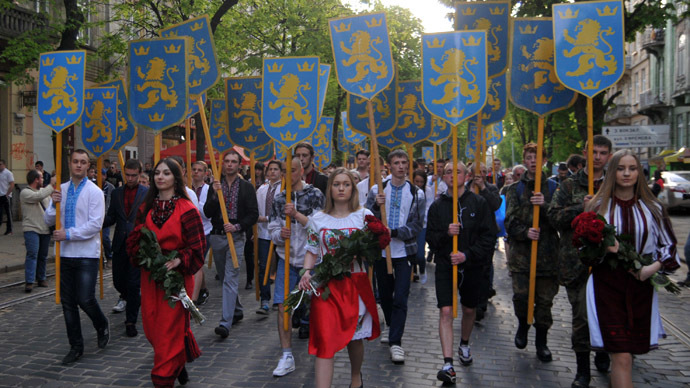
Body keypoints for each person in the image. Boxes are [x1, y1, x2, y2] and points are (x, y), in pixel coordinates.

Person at [584, 150, 680, 388]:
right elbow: (582, 252)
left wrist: (652, 269)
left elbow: (669, 247)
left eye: (632, 168)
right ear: (612, 171)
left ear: (639, 172)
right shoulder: (598, 207)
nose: (626, 174)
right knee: (621, 355)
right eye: (620, 168)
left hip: (641, 287)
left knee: (629, 355)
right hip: (606, 286)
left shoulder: (653, 208)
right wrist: (603, 250)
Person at [126, 158, 206, 388]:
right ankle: (177, 362)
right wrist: (141, 253)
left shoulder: (187, 208)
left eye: (166, 173)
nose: (160, 177)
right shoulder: (146, 207)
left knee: (168, 331)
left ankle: (163, 378)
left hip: (176, 280)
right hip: (151, 279)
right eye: (157, 173)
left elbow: (198, 247)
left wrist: (180, 259)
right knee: (152, 328)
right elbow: (136, 238)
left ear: (175, 178)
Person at [299, 168, 380, 388]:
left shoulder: (363, 216)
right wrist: (306, 272)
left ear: (352, 188)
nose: (341, 188)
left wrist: (361, 251)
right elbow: (312, 249)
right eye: (336, 184)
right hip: (326, 286)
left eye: (346, 184)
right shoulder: (318, 218)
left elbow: (373, 248)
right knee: (325, 339)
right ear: (330, 188)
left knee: (355, 337)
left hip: (355, 284)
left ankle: (356, 378)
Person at [548, 135, 613, 387]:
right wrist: (580, 209)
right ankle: (582, 370)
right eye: (593, 151)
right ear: (585, 153)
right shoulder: (568, 185)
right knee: (582, 318)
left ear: (608, 155)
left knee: (608, 313)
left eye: (603, 152)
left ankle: (605, 350)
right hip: (577, 262)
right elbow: (553, 216)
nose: (597, 156)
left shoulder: (613, 183)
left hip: (609, 261)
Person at [426, 161, 497, 383]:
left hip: (471, 266)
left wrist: (467, 254)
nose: (451, 175)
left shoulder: (479, 203)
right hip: (446, 265)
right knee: (446, 311)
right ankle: (448, 363)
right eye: (447, 172)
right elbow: (431, 238)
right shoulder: (437, 207)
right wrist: (446, 233)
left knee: (468, 309)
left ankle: (464, 343)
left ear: (466, 176)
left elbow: (488, 237)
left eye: (456, 171)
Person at [44, 149, 109, 365]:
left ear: (88, 166)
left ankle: (101, 323)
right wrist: (54, 204)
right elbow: (48, 220)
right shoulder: (59, 190)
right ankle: (76, 346)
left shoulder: (95, 192)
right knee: (68, 303)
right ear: (69, 164)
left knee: (85, 298)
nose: (79, 165)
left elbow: (95, 224)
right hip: (64, 254)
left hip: (86, 254)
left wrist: (69, 234)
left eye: (83, 162)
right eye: (75, 162)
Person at [366, 149, 425, 364]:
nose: (400, 166)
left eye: (404, 162)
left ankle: (396, 342)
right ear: (389, 166)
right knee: (385, 294)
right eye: (396, 162)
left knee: (401, 297)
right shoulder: (377, 189)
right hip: (381, 252)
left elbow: (417, 224)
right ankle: (391, 325)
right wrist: (374, 204)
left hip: (403, 252)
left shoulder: (416, 193)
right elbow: (366, 217)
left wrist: (396, 232)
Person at [269, 157, 325, 376]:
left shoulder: (315, 195)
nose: (288, 175)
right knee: (284, 307)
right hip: (287, 260)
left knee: (318, 308)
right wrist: (279, 235)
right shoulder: (279, 197)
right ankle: (286, 354)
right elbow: (272, 228)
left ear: (301, 171)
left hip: (313, 262)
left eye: (292, 170)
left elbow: (319, 227)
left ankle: (322, 349)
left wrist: (296, 215)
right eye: (285, 171)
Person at [504, 143, 559, 363]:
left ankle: (542, 341)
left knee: (545, 302)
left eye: (537, 157)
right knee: (522, 297)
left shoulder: (555, 188)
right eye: (529, 157)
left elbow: (561, 219)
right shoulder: (514, 189)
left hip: (548, 257)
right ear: (525, 161)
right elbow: (509, 220)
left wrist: (545, 206)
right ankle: (523, 325)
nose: (533, 161)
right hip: (522, 256)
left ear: (544, 160)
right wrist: (524, 232)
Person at [205, 150, 258, 339]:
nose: (229, 164)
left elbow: (253, 214)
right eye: (226, 161)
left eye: (233, 161)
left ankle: (225, 322)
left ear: (239, 164)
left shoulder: (246, 187)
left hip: (236, 237)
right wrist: (213, 194)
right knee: (225, 278)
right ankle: (236, 310)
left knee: (231, 277)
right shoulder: (215, 186)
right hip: (217, 237)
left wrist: (237, 226)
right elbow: (208, 212)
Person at [103, 159, 148, 337]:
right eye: (127, 175)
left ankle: (130, 321)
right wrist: (95, 222)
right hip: (120, 243)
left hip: (138, 243)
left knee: (133, 283)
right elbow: (112, 217)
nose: (130, 178)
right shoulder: (116, 193)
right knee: (118, 281)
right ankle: (133, 300)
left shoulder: (146, 193)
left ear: (139, 173)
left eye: (133, 175)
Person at [467, 163, 503, 321]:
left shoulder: (492, 188)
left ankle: (481, 304)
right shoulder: (465, 186)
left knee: (484, 268)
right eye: (477, 172)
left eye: (483, 172)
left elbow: (496, 205)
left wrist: (483, 188)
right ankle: (470, 300)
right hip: (468, 233)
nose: (479, 174)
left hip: (486, 234)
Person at [255, 160, 283, 314]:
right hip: (264, 233)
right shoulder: (262, 190)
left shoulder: (285, 189)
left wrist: (268, 218)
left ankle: (279, 298)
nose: (272, 172)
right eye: (270, 169)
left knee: (280, 266)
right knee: (264, 265)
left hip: (279, 233)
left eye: (276, 169)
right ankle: (264, 299)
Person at [21, 169, 55, 292]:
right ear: (36, 179)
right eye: (41, 178)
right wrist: (51, 186)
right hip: (31, 228)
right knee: (32, 254)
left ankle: (41, 278)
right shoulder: (25, 192)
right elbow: (37, 197)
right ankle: (29, 281)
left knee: (43, 256)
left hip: (45, 229)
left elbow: (50, 207)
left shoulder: (44, 192)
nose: (42, 180)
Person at [190, 161, 211, 306]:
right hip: (190, 231)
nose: (196, 172)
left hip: (205, 231)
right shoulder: (186, 189)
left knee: (198, 262)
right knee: (197, 262)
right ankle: (203, 288)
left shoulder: (209, 190)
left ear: (205, 173)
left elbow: (207, 214)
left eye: (199, 170)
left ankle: (195, 295)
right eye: (194, 169)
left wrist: (196, 203)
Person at [412, 170, 433, 284]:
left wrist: (421, 218)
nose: (419, 184)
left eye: (421, 182)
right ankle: (413, 271)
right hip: (410, 225)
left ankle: (422, 269)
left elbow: (429, 207)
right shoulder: (409, 189)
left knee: (420, 252)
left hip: (422, 225)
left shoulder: (428, 191)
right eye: (416, 181)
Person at [0, 159, 15, 235]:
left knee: (8, 213)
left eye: (1, 164)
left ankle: (10, 229)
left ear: (4, 165)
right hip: (0, 195)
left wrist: (7, 194)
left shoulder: (8, 173)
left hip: (6, 196)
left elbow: (12, 184)